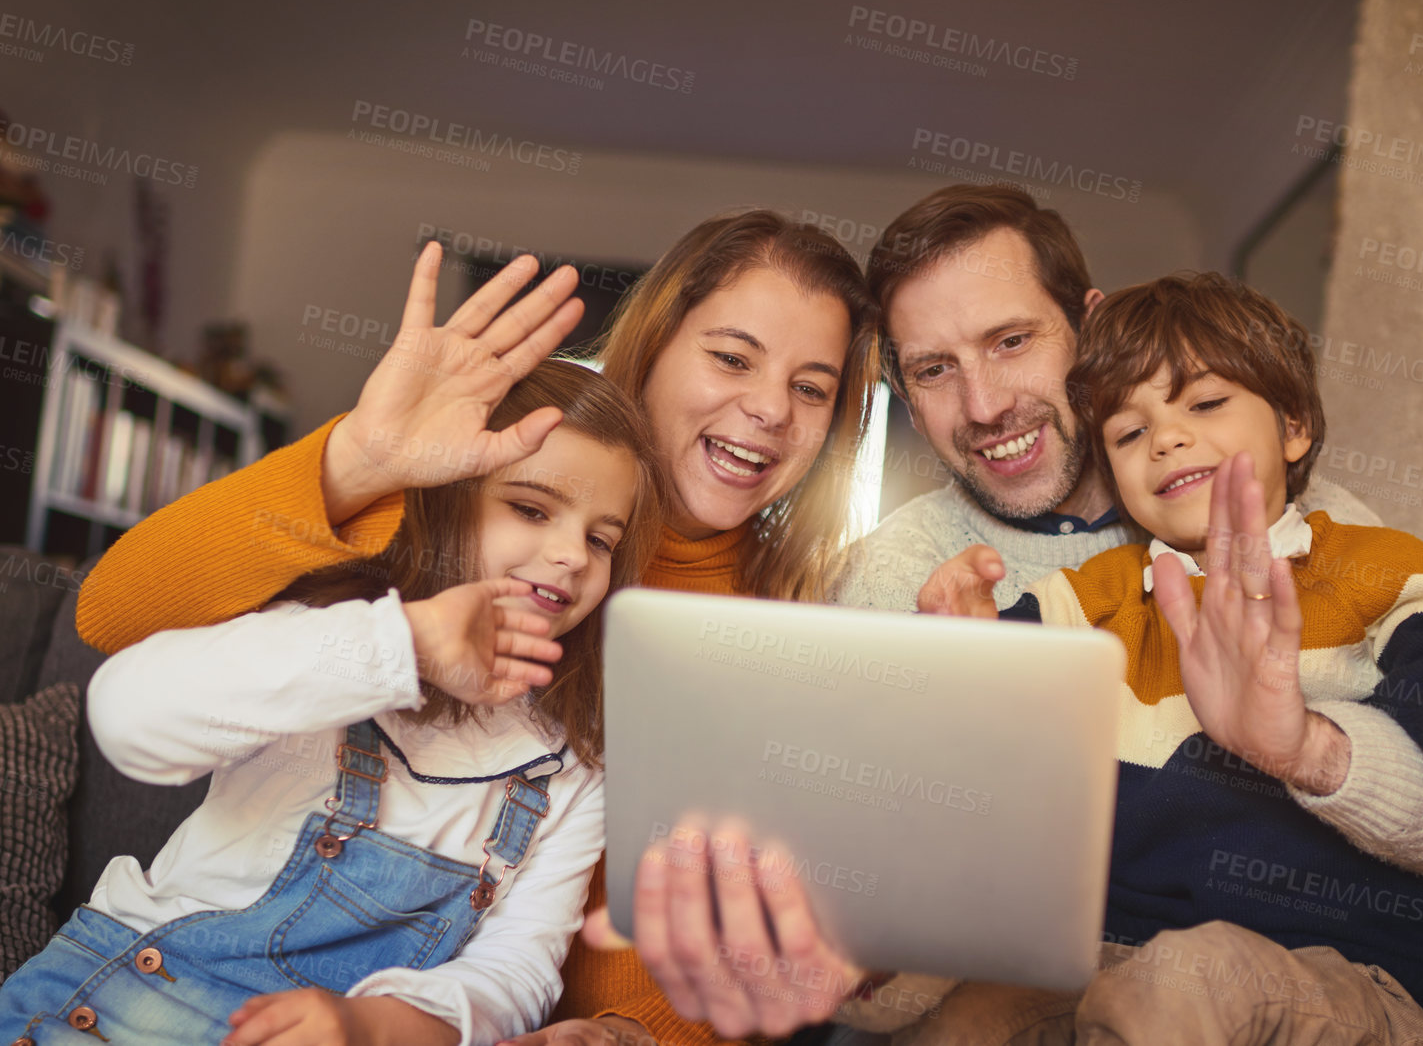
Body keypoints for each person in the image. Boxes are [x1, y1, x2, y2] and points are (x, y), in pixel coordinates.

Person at [75, 215, 879, 1045]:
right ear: (654, 346)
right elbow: (113, 619)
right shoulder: (450, 507)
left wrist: (621, 1031)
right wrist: (362, 461)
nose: (769, 408)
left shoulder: (807, 628)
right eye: (732, 357)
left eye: (811, 387)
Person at [909, 273, 1423, 1045]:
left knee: (1177, 982)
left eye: (1203, 404)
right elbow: (966, 737)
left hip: (1349, 975)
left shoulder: (1379, 568)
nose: (1165, 437)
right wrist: (963, 647)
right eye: (1129, 433)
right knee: (967, 1018)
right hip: (1108, 962)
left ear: (1293, 425)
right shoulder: (1087, 598)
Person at [2, 358, 665, 1046]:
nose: (570, 556)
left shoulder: (573, 764)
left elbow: (517, 969)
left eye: (599, 538)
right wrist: (408, 645)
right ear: (441, 500)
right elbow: (126, 714)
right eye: (531, 508)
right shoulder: (339, 639)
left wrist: (366, 1023)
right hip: (114, 1011)